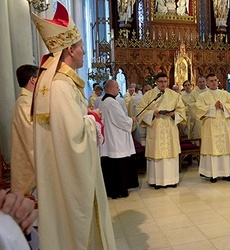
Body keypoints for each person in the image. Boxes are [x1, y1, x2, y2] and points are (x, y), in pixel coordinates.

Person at [31, 2, 116, 249]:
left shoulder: (63, 84)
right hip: (67, 174)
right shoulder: (59, 86)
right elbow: (72, 139)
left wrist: (86, 115)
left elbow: (68, 124)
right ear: (69, 50)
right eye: (81, 48)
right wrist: (93, 119)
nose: (84, 52)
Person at [137, 72, 186, 189]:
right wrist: (151, 113)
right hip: (156, 128)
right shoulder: (149, 95)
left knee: (170, 154)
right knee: (156, 153)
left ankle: (172, 180)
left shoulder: (174, 95)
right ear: (156, 82)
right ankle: (156, 181)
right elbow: (140, 110)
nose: (163, 84)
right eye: (160, 81)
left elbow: (182, 111)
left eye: (165, 81)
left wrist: (174, 114)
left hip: (170, 128)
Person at [99, 80, 138, 199]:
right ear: (111, 89)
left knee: (110, 166)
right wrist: (131, 120)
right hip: (116, 138)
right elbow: (120, 120)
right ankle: (119, 190)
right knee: (118, 166)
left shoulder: (103, 101)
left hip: (110, 137)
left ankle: (112, 190)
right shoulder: (112, 102)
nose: (119, 89)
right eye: (117, 87)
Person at [196, 73, 230, 182]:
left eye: (215, 80)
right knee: (212, 149)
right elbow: (199, 110)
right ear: (207, 83)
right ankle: (212, 174)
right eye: (211, 81)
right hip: (210, 127)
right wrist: (213, 107)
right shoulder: (202, 96)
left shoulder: (225, 94)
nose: (214, 82)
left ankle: (226, 173)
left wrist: (223, 106)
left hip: (224, 126)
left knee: (225, 149)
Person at [10, 65, 37, 195]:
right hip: (29, 171)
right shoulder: (24, 104)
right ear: (33, 80)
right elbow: (31, 138)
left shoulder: (30, 101)